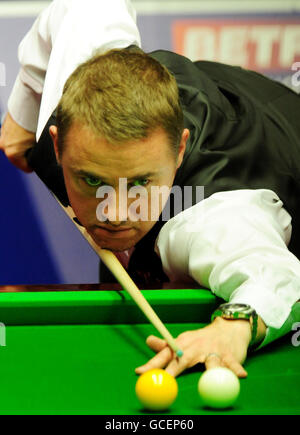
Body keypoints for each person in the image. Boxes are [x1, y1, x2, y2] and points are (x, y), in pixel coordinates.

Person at [1, 1, 299, 379]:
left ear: (179, 151)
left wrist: (233, 328)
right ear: (58, 146)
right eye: (92, 180)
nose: (116, 213)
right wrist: (23, 114)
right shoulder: (81, 83)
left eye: (140, 183)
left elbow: (279, 281)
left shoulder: (209, 219)